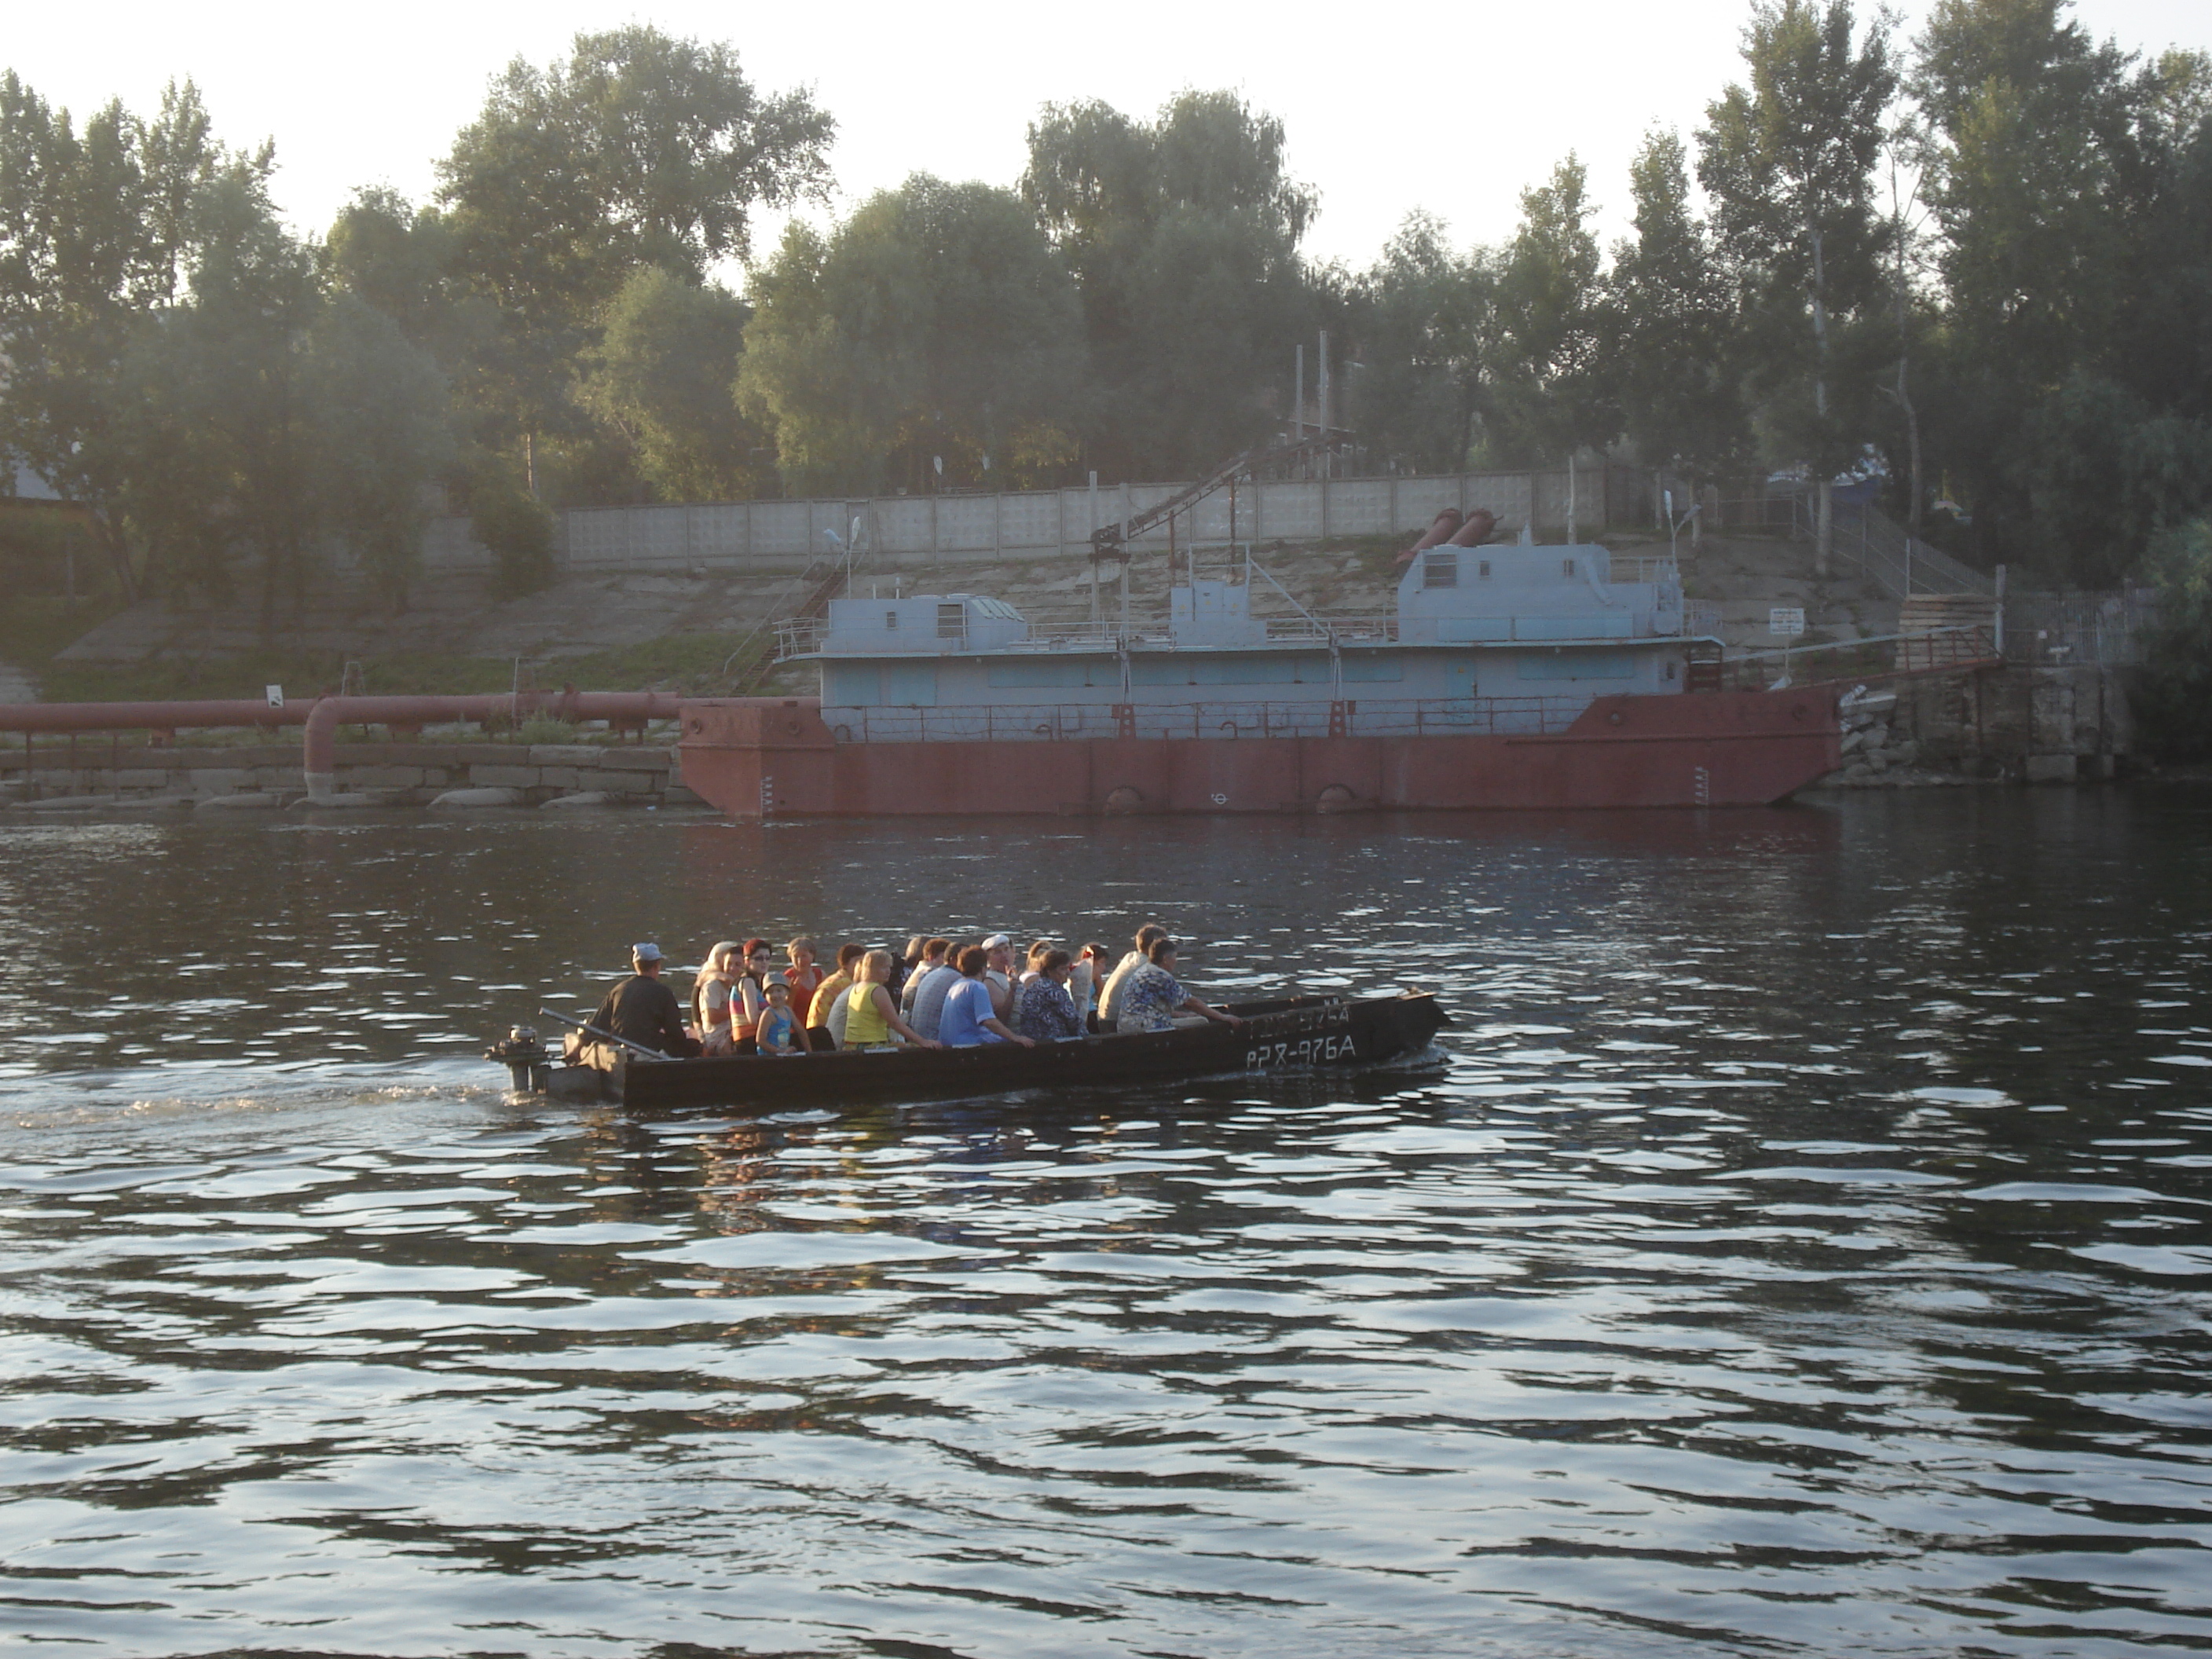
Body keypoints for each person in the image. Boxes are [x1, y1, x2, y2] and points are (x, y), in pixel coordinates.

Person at [589, 943, 701, 1057]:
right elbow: (675, 1032)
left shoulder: (619, 989)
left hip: (621, 1048)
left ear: (635, 965)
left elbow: (596, 1024)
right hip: (650, 1050)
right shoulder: (663, 992)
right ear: (657, 966)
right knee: (694, 1045)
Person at [1115, 936, 1243, 1035]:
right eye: (1175, 957)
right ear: (1166, 958)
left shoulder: (1144, 970)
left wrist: (1185, 1015)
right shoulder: (1160, 976)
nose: (1175, 961)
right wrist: (1223, 1017)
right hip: (1146, 1027)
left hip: (1127, 1025)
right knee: (1202, 1021)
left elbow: (1153, 1007)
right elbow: (1192, 1003)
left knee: (1191, 1017)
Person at [843, 949, 940, 1050]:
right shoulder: (877, 990)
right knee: (918, 1049)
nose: (888, 971)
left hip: (852, 1046)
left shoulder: (856, 988)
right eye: (883, 968)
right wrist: (923, 1041)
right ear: (872, 969)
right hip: (871, 1045)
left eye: (889, 967)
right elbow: (894, 1023)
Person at [939, 945, 1034, 1048]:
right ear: (983, 968)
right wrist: (1015, 1037)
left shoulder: (957, 984)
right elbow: (989, 1021)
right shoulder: (977, 987)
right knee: (1012, 1043)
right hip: (966, 1043)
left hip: (947, 1041)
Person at [1098, 924, 1167, 1029]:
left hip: (1103, 1021)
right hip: (1119, 1024)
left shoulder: (1130, 958)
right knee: (1198, 1021)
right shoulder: (1149, 968)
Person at [1016, 948, 1084, 1041]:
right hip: (1052, 1043)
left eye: (1068, 968)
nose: (1068, 973)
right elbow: (1073, 1020)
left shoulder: (1034, 987)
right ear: (1049, 971)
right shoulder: (1055, 991)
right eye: (1063, 969)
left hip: (1032, 1039)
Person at [810, 943, 866, 1051]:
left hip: (814, 1035)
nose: (862, 966)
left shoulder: (832, 980)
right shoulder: (845, 984)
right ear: (845, 964)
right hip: (828, 1039)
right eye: (858, 961)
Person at [692, 940, 742, 1056]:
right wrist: (739, 1011)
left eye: (738, 964)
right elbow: (710, 1016)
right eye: (729, 962)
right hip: (717, 1038)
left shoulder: (739, 982)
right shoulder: (711, 982)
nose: (732, 967)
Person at [908, 939, 961, 1042]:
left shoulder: (929, 974)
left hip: (914, 1032)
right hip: (932, 1039)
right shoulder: (930, 973)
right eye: (943, 957)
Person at [731, 939, 774, 1052]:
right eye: (759, 958)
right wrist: (778, 1017)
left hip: (760, 1036)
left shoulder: (761, 983)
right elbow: (753, 1018)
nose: (764, 962)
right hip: (748, 1039)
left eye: (767, 958)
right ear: (747, 961)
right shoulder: (747, 982)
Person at [784, 937, 826, 1031]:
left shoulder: (820, 975)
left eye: (804, 956)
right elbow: (784, 1011)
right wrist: (793, 992)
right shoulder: (787, 978)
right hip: (795, 1029)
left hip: (818, 1026)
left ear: (812, 956)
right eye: (796, 957)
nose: (800, 961)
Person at [755, 981, 804, 1056]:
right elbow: (760, 1041)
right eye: (771, 992)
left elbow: (801, 1031)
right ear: (765, 996)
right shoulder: (768, 1014)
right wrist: (780, 1051)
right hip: (768, 1057)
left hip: (782, 1055)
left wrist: (809, 1052)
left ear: (787, 993)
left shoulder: (788, 1011)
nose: (775, 995)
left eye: (779, 990)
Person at [1072, 942, 1110, 1033]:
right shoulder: (1088, 976)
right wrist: (1099, 980)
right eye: (1102, 963)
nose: (1104, 968)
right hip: (1088, 1014)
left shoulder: (1079, 974)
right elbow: (1104, 996)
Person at [980, 934, 1017, 1023]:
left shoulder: (1012, 975)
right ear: (988, 958)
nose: (1004, 955)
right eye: (997, 952)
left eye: (1006, 949)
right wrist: (1012, 990)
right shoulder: (990, 980)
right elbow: (1001, 1017)